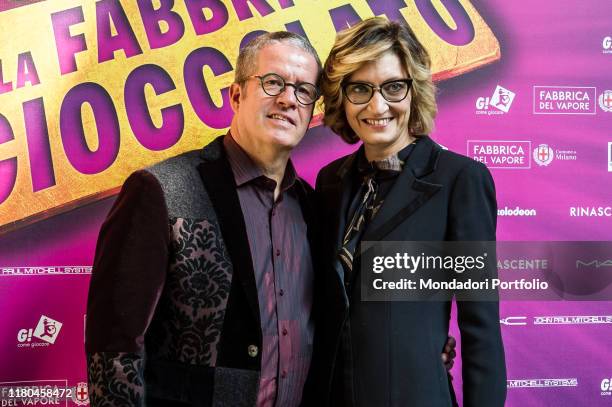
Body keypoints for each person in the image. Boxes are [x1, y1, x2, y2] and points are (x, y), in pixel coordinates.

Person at [85, 30, 457, 407]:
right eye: (273, 82)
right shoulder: (161, 190)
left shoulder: (317, 207)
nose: (287, 99)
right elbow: (114, 351)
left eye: (303, 90)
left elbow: (340, 321)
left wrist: (420, 350)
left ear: (313, 108)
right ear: (236, 95)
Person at [314, 17, 506, 406]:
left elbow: (480, 328)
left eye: (393, 87)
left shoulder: (460, 180)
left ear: (414, 91)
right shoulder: (329, 181)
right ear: (341, 96)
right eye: (360, 89)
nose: (377, 105)